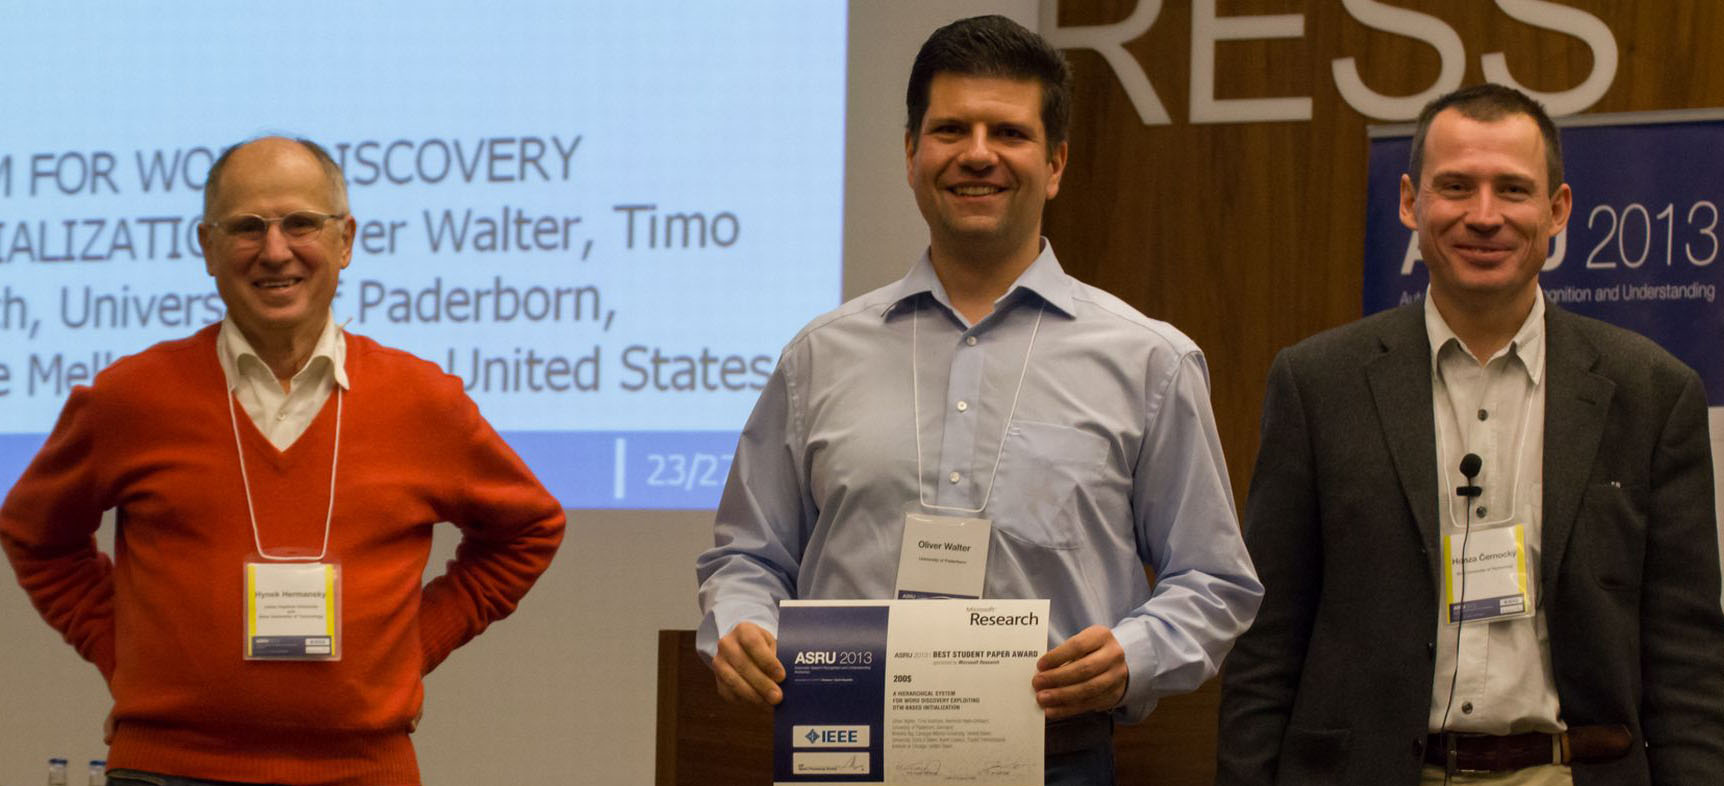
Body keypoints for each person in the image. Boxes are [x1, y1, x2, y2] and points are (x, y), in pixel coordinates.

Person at [694, 15, 1261, 784]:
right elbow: (747, 557)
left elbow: (1214, 580)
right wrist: (742, 626)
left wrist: (1135, 655)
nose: (978, 154)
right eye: (951, 129)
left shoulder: (1149, 361)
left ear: (1055, 164)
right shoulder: (818, 357)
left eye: (1010, 133)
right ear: (911, 154)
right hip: (843, 748)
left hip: (1056, 757)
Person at [0, 136, 566, 786]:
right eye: (247, 227)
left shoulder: (423, 401)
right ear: (208, 247)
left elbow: (529, 529)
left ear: (345, 240)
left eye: (301, 223)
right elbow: (36, 534)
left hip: (361, 773)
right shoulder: (131, 398)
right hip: (168, 770)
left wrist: (413, 648)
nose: (275, 251)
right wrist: (122, 653)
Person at [1216, 84, 1724, 785]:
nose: (1484, 216)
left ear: (1557, 210)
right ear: (1409, 202)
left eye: (1513, 189)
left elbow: (1688, 655)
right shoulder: (1318, 384)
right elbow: (1266, 640)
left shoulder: (1652, 393)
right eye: (1456, 186)